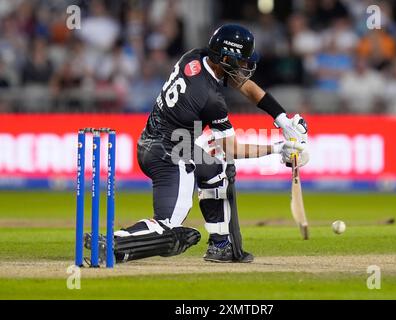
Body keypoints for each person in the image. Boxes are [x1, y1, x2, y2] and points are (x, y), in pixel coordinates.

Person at [84, 24, 309, 264]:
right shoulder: (210, 98)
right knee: (168, 226)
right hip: (170, 155)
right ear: (225, 58)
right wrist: (277, 148)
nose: (245, 67)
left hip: (163, 142)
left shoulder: (196, 56)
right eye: (241, 61)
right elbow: (231, 149)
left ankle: (221, 245)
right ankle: (111, 241)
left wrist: (281, 118)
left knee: (214, 169)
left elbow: (244, 85)